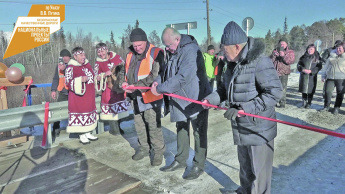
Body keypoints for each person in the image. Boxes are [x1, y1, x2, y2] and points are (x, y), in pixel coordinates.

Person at [202, 21, 283, 193]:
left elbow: (275, 92)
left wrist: (245, 109)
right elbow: (224, 89)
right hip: (242, 127)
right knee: (246, 170)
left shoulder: (260, 62)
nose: (222, 52)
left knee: (259, 177)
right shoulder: (231, 64)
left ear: (237, 47)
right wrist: (211, 100)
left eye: (225, 48)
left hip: (258, 129)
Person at [151, 27, 212, 180]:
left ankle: (199, 164)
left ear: (177, 40)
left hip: (196, 96)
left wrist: (161, 89)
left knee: (199, 131)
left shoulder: (190, 50)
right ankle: (180, 160)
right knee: (181, 128)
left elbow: (184, 76)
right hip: (179, 97)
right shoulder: (171, 51)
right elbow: (165, 72)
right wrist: (157, 83)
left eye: (168, 44)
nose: (166, 48)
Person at [119, 28, 166, 166]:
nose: (138, 48)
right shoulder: (129, 55)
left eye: (140, 45)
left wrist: (136, 85)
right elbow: (123, 71)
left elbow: (156, 75)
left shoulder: (156, 53)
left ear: (146, 41)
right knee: (139, 125)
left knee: (153, 125)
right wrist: (123, 82)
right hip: (135, 96)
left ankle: (158, 152)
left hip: (151, 96)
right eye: (135, 46)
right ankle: (144, 148)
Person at [65, 47, 98, 144]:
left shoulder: (87, 65)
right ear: (75, 56)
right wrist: (79, 80)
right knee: (81, 113)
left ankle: (87, 132)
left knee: (88, 112)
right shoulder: (70, 67)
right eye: (81, 55)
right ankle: (81, 134)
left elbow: (92, 77)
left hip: (89, 96)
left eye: (84, 54)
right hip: (78, 98)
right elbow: (67, 82)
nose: (84, 57)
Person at [94, 43, 129, 135]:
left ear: (106, 50)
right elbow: (95, 75)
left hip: (118, 88)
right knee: (110, 110)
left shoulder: (116, 57)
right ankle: (114, 130)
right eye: (99, 52)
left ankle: (119, 127)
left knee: (119, 110)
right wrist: (103, 75)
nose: (101, 54)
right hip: (107, 89)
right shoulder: (98, 63)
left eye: (102, 51)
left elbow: (124, 68)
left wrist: (116, 71)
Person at [51, 49, 71, 137]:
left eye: (67, 56)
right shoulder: (58, 67)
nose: (65, 58)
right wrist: (53, 90)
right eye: (63, 56)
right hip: (62, 92)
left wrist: (65, 69)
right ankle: (55, 129)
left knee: (74, 111)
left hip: (72, 92)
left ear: (70, 57)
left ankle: (75, 128)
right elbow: (55, 78)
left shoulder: (73, 65)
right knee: (58, 111)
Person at [321, 42, 345, 115]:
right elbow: (326, 66)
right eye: (337, 48)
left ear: (343, 49)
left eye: (340, 48)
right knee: (327, 92)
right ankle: (326, 106)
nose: (338, 49)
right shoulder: (331, 56)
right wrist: (323, 75)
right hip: (330, 77)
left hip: (341, 78)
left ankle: (336, 108)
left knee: (340, 93)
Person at [271, 37, 295, 108]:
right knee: (274, 88)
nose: (282, 45)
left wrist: (283, 56)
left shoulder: (290, 52)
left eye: (283, 44)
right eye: (280, 44)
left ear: (286, 44)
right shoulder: (275, 50)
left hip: (283, 73)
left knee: (282, 88)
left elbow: (290, 61)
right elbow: (270, 61)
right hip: (275, 73)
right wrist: (274, 55)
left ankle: (282, 103)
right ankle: (274, 102)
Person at [297, 44, 323, 109]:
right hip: (304, 76)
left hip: (312, 76)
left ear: (314, 50)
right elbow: (299, 65)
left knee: (310, 90)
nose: (310, 50)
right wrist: (303, 69)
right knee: (304, 89)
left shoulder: (317, 57)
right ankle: (304, 102)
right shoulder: (303, 57)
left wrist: (311, 71)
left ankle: (309, 103)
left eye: (311, 49)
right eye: (309, 49)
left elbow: (319, 66)